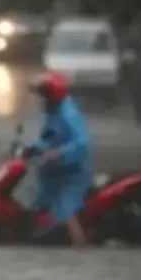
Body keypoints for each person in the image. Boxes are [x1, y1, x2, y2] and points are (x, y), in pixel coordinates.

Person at [27, 71, 94, 246]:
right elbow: (50, 140)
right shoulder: (53, 113)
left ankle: (80, 245)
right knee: (37, 208)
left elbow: (82, 144)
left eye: (43, 96)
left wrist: (59, 154)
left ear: (51, 96)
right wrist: (32, 148)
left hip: (71, 177)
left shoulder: (68, 114)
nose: (40, 100)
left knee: (65, 211)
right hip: (53, 176)